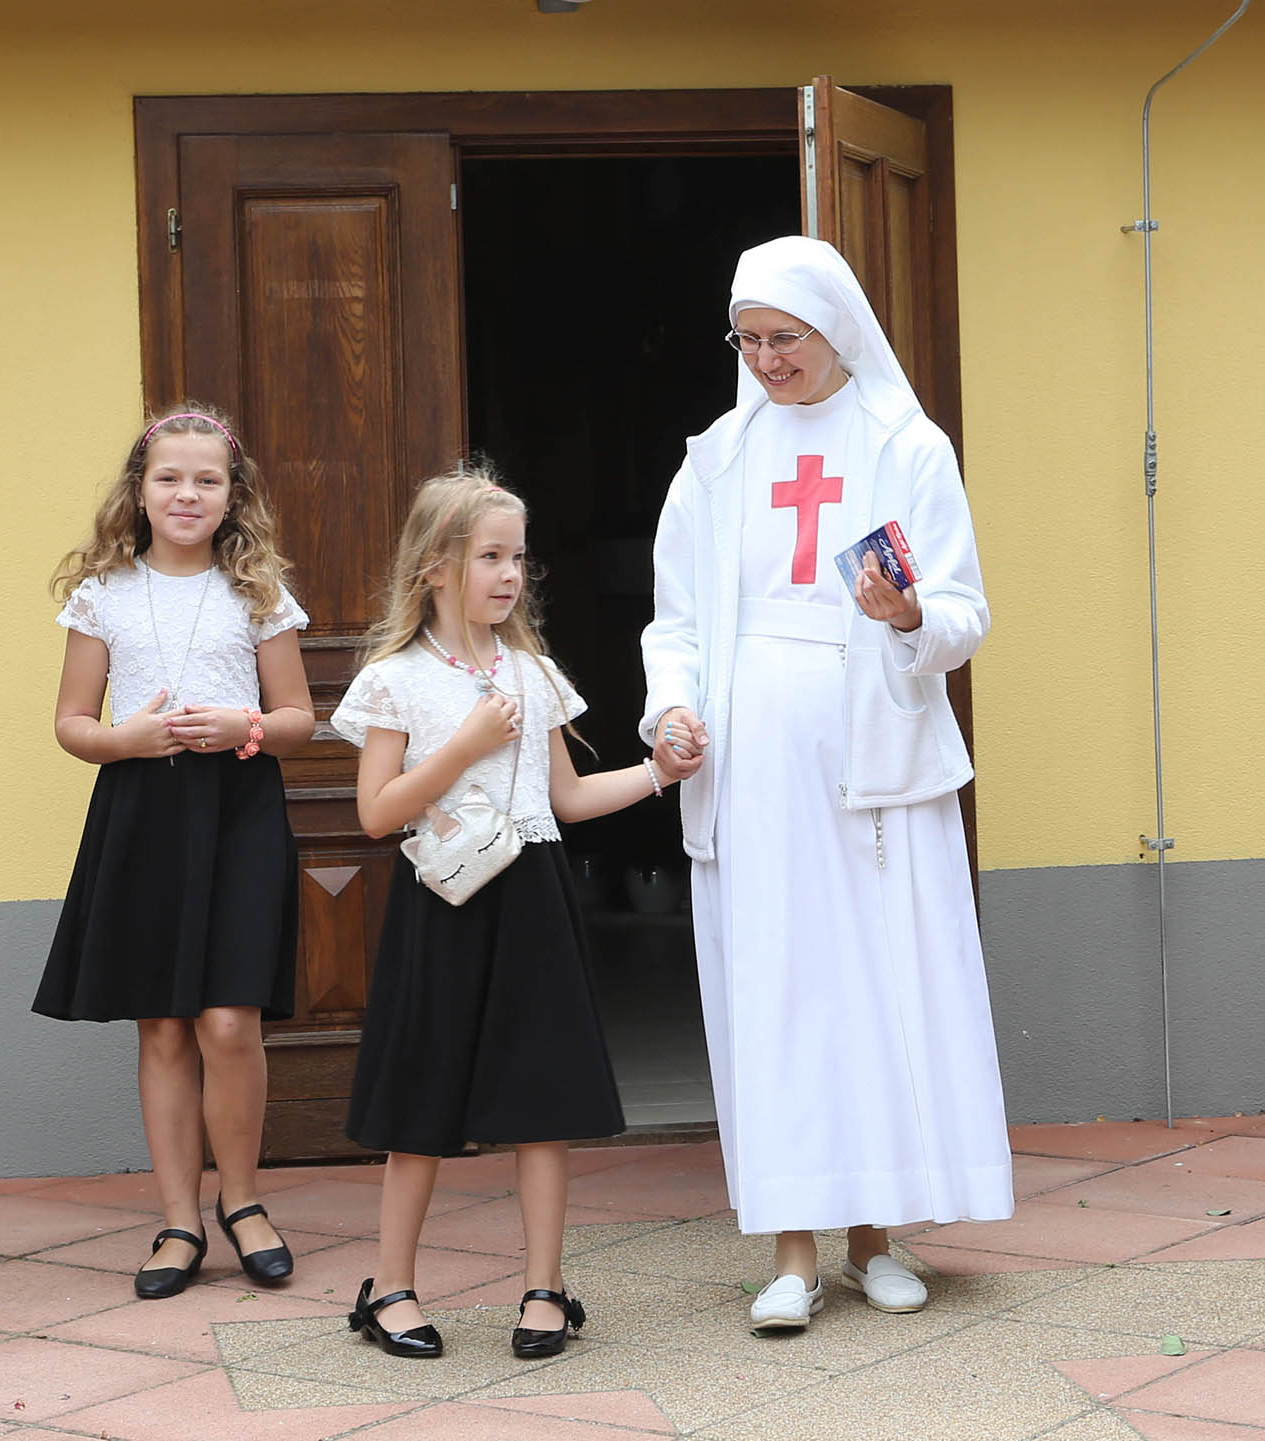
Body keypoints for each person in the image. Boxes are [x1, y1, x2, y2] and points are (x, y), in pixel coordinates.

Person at [640, 236, 1014, 1331]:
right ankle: (793, 1253)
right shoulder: (716, 460)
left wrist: (910, 615)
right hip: (753, 765)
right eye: (746, 340)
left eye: (783, 338)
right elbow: (676, 621)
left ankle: (874, 1238)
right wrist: (671, 708)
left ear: (834, 328)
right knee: (779, 994)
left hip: (873, 763)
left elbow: (963, 611)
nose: (764, 360)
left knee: (876, 991)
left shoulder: (905, 445)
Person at [330, 465, 680, 1360]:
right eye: (490, 556)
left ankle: (545, 1285)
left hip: (534, 895)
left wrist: (659, 774)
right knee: (422, 1091)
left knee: (541, 1093)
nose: (510, 574)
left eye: (518, 557)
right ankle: (391, 1286)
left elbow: (567, 797)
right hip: (442, 901)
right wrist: (465, 745)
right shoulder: (396, 679)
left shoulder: (533, 672)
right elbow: (376, 812)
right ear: (435, 566)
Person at [36, 405, 315, 1301]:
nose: (187, 493)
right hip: (143, 811)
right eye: (169, 477)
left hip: (239, 808)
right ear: (140, 490)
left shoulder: (259, 591)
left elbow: (301, 719)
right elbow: (72, 722)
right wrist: (125, 739)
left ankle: (244, 1201)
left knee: (229, 1020)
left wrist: (246, 726)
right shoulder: (104, 592)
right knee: (162, 1023)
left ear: (234, 495)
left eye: (206, 479)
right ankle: (178, 1219)